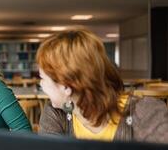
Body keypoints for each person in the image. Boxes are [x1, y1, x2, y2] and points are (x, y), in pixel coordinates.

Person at [36, 28, 168, 143]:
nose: (41, 84)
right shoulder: (55, 114)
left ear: (66, 86)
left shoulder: (145, 112)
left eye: (43, 78)